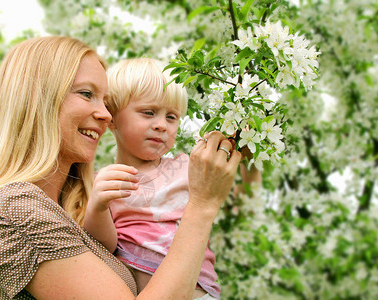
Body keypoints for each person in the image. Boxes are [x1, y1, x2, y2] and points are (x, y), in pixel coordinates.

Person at [0, 36, 241, 300]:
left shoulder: (71, 209)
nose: (106, 115)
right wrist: (202, 206)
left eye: (106, 102)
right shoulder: (13, 209)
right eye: (86, 94)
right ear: (38, 99)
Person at [90, 58, 259, 299]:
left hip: (199, 292)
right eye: (148, 113)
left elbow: (228, 181)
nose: (161, 125)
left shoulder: (187, 167)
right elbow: (105, 245)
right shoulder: (105, 181)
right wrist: (97, 206)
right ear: (112, 117)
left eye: (171, 117)